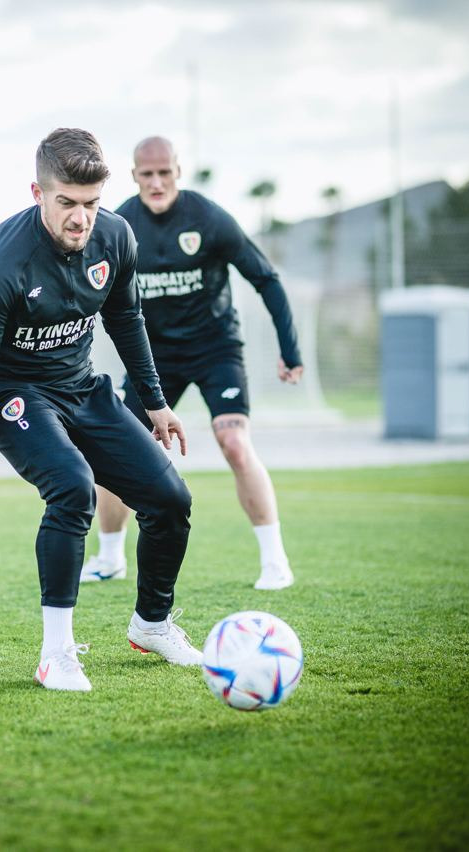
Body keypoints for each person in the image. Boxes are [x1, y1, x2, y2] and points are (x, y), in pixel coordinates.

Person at [0, 128, 200, 693]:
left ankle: (152, 624)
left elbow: (126, 319)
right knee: (72, 487)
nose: (81, 218)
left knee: (170, 500)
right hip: (13, 395)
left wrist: (156, 401)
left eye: (91, 203)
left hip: (82, 388)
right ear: (38, 192)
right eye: (66, 202)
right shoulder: (1, 262)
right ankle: (55, 655)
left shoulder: (115, 236)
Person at [81, 137, 303, 591]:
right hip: (153, 357)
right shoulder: (119, 225)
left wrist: (290, 349)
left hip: (215, 348)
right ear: (134, 176)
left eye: (165, 173)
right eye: (147, 174)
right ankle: (109, 557)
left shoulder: (208, 219)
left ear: (178, 172)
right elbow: (87, 289)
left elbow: (265, 278)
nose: (156, 182)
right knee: (114, 446)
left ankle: (275, 561)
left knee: (234, 442)